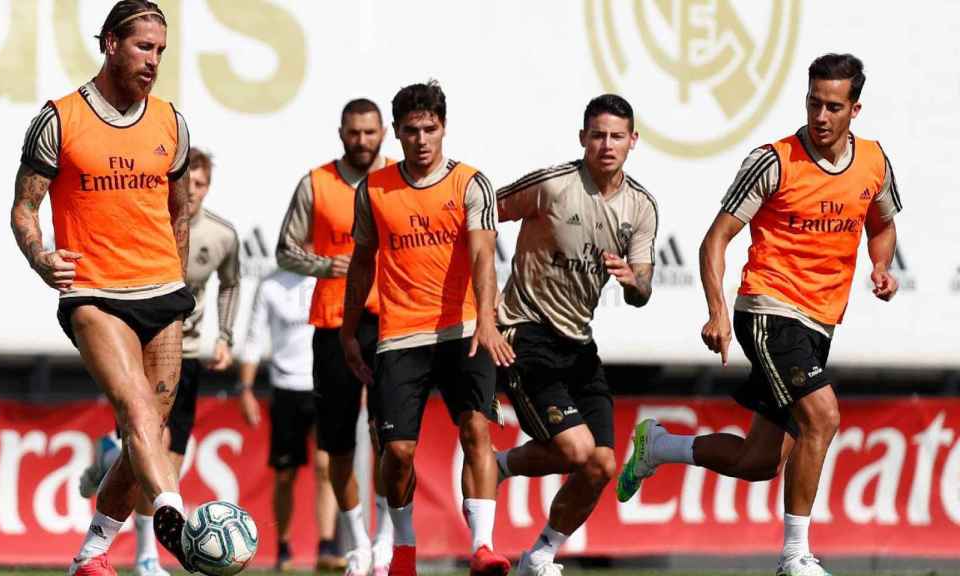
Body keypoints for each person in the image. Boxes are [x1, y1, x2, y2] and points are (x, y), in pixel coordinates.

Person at [617, 53, 902, 576]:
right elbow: (715, 240)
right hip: (768, 310)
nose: (820, 115)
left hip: (819, 322)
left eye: (833, 107)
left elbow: (881, 224)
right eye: (813, 102)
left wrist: (881, 266)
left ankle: (658, 445)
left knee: (760, 462)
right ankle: (795, 556)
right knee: (825, 415)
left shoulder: (875, 163)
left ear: (854, 110)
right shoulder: (773, 161)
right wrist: (718, 313)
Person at [9, 1, 196, 574]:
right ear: (111, 43)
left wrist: (179, 280)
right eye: (144, 47)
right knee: (136, 408)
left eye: (161, 50)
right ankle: (177, 519)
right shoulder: (60, 119)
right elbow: (23, 209)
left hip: (161, 292)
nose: (153, 61)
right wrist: (42, 258)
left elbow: (180, 212)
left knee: (151, 431)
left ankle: (92, 554)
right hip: (94, 291)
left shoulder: (171, 120)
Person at [341, 81, 513, 576]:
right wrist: (349, 332)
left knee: (477, 428)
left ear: (443, 128)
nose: (421, 139)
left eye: (430, 129)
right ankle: (404, 548)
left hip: (465, 330)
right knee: (396, 453)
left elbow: (483, 253)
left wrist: (486, 318)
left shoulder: (471, 183)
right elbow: (360, 263)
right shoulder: (374, 190)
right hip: (401, 336)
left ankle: (482, 547)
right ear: (396, 132)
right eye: (412, 130)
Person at [493, 94, 657, 576]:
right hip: (527, 334)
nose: (607, 145)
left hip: (579, 345)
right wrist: (484, 311)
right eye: (598, 135)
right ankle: (499, 466)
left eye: (617, 136)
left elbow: (642, 288)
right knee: (577, 451)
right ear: (583, 138)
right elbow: (482, 216)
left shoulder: (640, 208)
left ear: (633, 141)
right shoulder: (553, 185)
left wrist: (634, 281)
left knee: (601, 466)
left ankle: (539, 556)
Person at [75, 148, 241, 576]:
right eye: (188, 183)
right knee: (152, 446)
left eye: (201, 184)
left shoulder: (222, 235)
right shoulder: (151, 230)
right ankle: (147, 555)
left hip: (185, 355)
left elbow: (230, 285)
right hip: (141, 347)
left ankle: (112, 452)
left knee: (169, 462)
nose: (192, 192)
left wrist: (224, 335)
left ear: (209, 187)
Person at [276, 98, 393, 576]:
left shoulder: (399, 181)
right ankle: (357, 543)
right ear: (341, 132)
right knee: (338, 444)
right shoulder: (316, 183)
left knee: (391, 441)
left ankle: (386, 541)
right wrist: (327, 265)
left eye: (369, 132)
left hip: (391, 323)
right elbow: (285, 249)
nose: (362, 141)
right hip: (332, 324)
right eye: (353, 132)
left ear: (382, 131)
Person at [236, 268, 342, 571]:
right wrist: (245, 388)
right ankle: (283, 548)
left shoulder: (329, 277)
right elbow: (254, 339)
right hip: (285, 389)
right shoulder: (270, 284)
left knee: (326, 467)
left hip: (324, 386)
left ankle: (326, 545)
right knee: (285, 475)